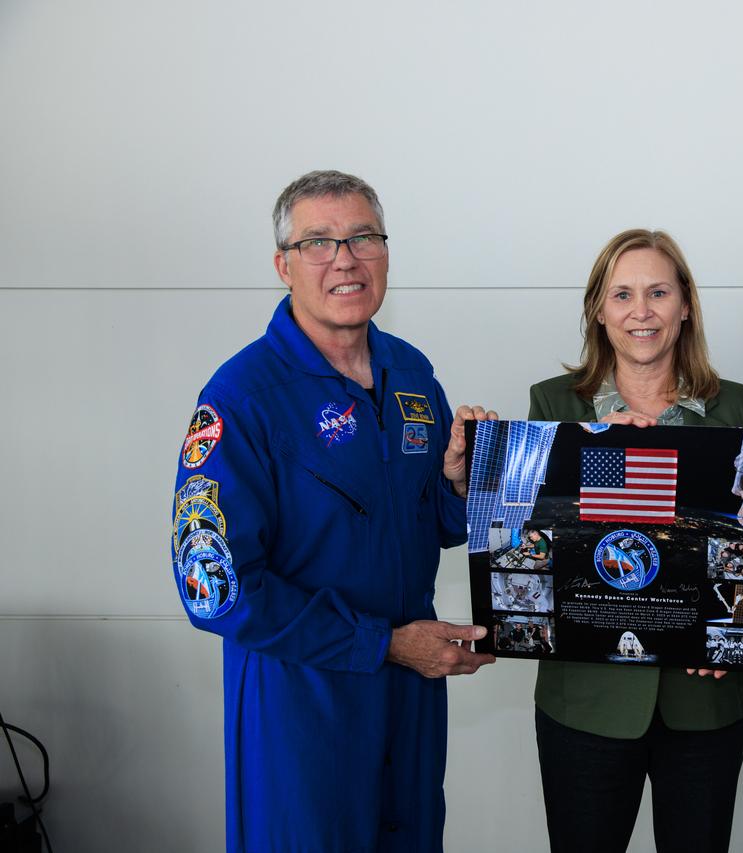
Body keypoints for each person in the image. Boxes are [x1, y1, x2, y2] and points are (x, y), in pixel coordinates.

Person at [169, 170, 497, 853]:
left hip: (408, 696)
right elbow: (215, 587)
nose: (345, 258)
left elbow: (426, 521)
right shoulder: (242, 395)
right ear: (282, 264)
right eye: (318, 241)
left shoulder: (412, 375)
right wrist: (380, 641)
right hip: (301, 697)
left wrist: (458, 485)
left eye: (362, 237)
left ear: (386, 253)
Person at [528, 229, 743, 853]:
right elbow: (530, 547)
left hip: (705, 699)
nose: (642, 311)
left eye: (658, 292)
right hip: (587, 704)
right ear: (599, 310)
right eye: (622, 294)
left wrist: (734, 635)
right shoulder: (553, 405)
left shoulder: (735, 405)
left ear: (686, 305)